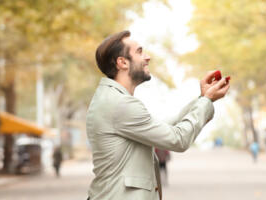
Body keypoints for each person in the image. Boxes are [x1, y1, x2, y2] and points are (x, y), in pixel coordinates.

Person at [86, 30, 230, 200]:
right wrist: (206, 101)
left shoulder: (112, 99)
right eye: (140, 52)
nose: (147, 57)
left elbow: (163, 127)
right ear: (122, 62)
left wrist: (203, 99)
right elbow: (178, 139)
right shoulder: (119, 104)